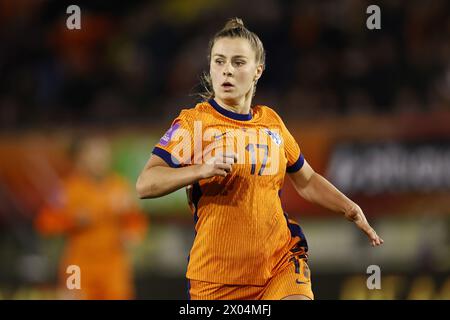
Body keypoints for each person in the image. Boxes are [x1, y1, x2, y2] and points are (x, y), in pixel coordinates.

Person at [136, 18, 383, 300]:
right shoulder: (194, 124)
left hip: (279, 263)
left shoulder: (271, 122)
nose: (227, 70)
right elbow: (145, 184)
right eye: (219, 61)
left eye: (238, 62)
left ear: (257, 71)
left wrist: (350, 208)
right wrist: (199, 170)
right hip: (216, 279)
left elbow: (307, 180)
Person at [36, 135, 148, 299]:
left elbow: (136, 221)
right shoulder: (68, 189)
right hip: (78, 265)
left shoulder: (120, 187)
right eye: (94, 156)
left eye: (103, 155)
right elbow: (45, 223)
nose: (100, 161)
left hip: (114, 265)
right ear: (83, 158)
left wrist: (132, 234)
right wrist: (72, 219)